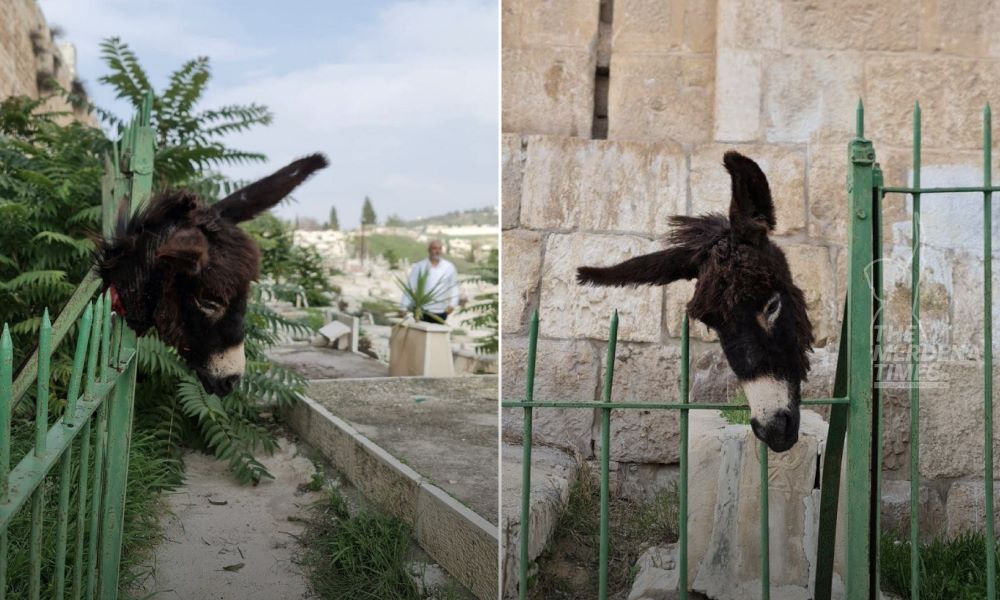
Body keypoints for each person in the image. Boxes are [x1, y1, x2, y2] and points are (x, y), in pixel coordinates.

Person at [400, 240, 459, 323]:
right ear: (429, 250)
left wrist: (453, 304)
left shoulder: (449, 267)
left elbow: (454, 286)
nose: (437, 251)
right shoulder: (419, 266)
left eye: (439, 249)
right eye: (434, 248)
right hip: (421, 310)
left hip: (441, 310)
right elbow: (410, 286)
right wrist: (403, 307)